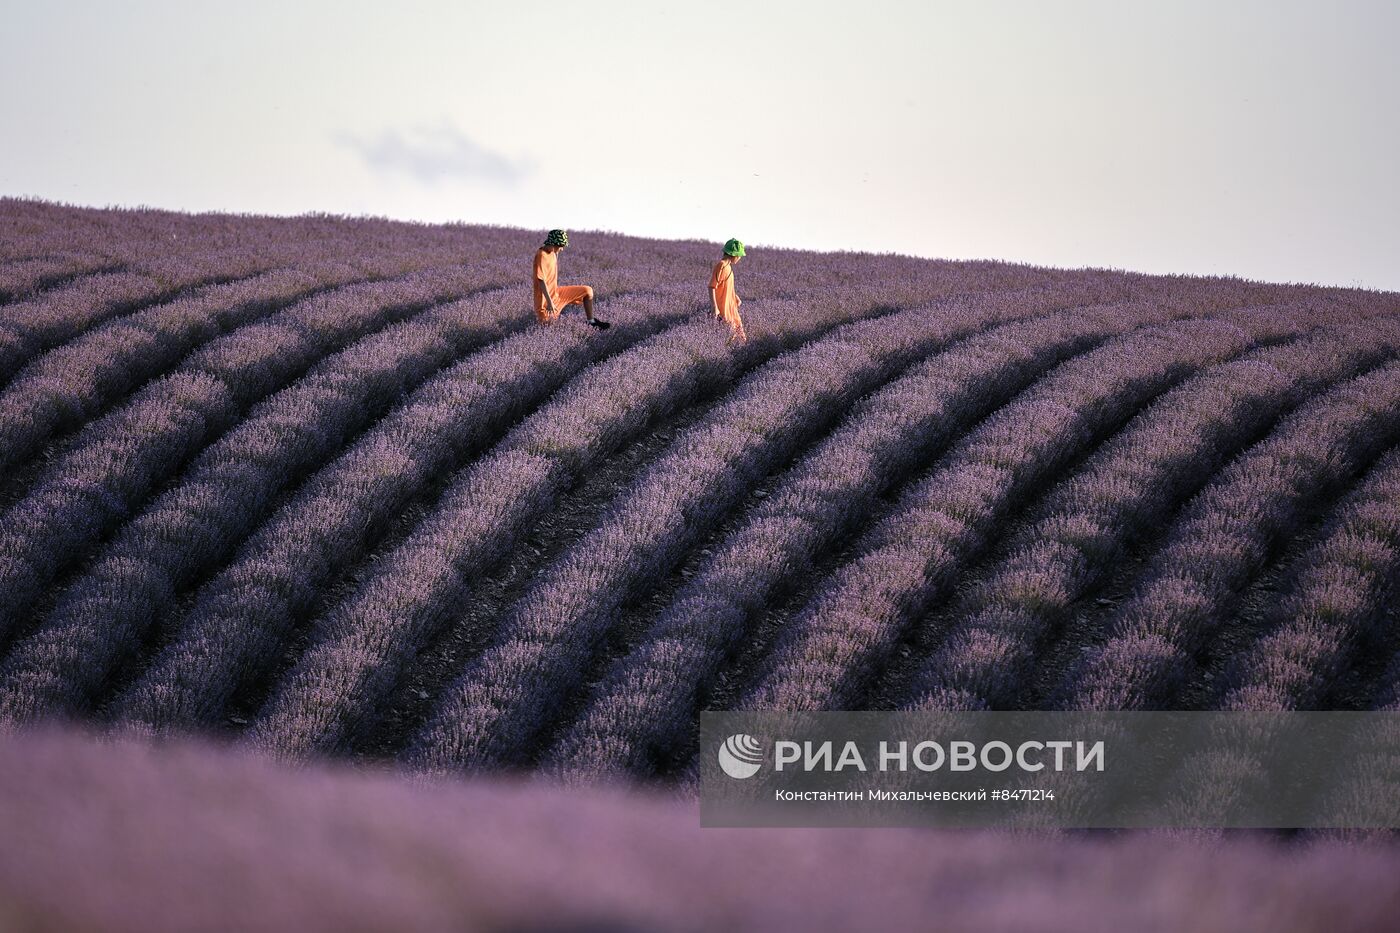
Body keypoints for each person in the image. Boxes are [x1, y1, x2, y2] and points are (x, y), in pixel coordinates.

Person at [534, 229, 609, 329]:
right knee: (548, 328)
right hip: (545, 301)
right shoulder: (541, 255)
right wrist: (550, 302)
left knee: (587, 291)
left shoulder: (553, 253)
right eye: (561, 246)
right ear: (554, 244)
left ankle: (591, 322)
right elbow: (541, 280)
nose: (562, 249)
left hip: (557, 293)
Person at [709, 238, 747, 345]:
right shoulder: (721, 265)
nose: (739, 258)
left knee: (741, 339)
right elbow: (712, 286)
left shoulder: (728, 267)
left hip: (731, 309)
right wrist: (714, 307)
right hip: (723, 310)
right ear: (733, 254)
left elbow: (725, 285)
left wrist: (735, 296)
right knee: (730, 341)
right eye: (739, 256)